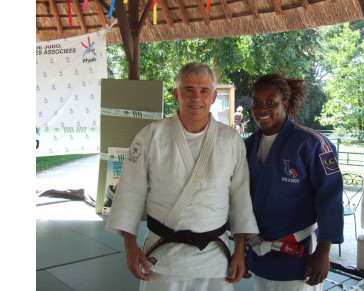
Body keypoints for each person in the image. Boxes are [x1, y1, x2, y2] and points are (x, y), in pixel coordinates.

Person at [106, 62, 259, 291]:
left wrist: (239, 250)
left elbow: (240, 200)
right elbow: (129, 193)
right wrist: (130, 245)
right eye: (188, 89)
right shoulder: (150, 136)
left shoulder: (231, 140)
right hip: (161, 255)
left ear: (214, 96)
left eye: (204, 90)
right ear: (177, 94)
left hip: (214, 258)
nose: (196, 97)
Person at [244, 73, 344, 291]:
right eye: (256, 102)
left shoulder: (313, 144)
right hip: (259, 254)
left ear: (285, 104)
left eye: (271, 102)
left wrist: (324, 251)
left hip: (300, 256)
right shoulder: (248, 146)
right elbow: (239, 200)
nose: (262, 109)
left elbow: (330, 199)